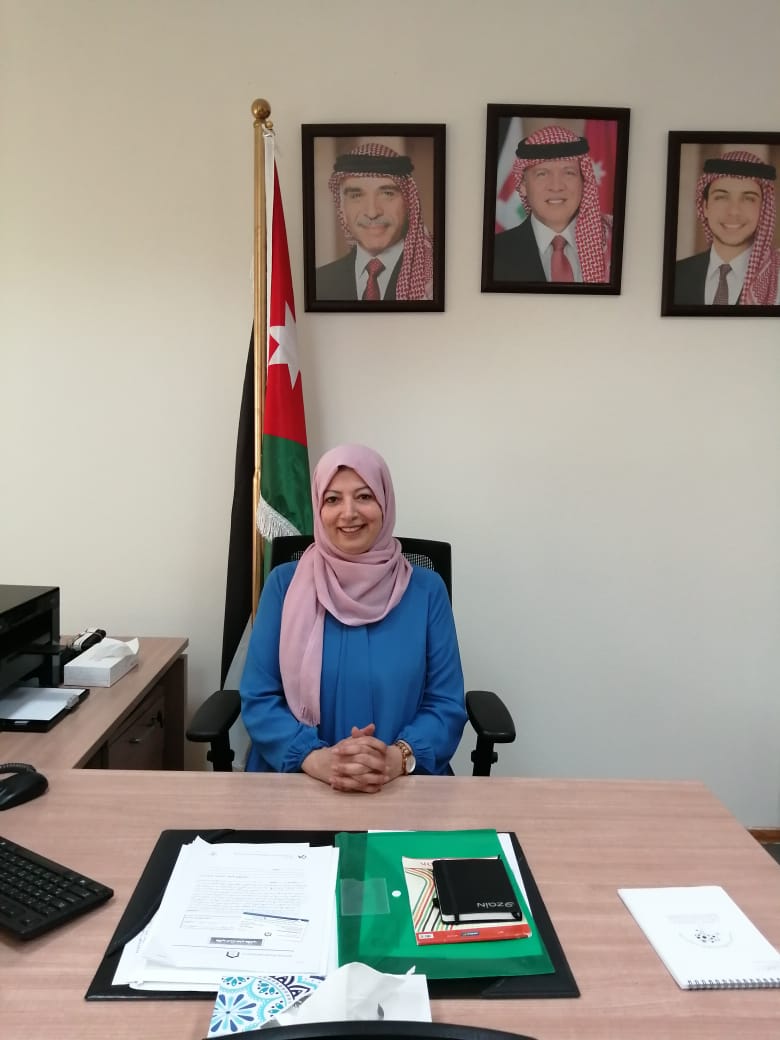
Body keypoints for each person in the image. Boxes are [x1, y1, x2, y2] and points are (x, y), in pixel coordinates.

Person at [240, 444, 467, 792]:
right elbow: (259, 697)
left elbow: (445, 703)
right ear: (319, 508)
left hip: (401, 785)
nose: (348, 513)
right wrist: (315, 759)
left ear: (384, 502)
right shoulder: (284, 586)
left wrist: (396, 758)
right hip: (298, 780)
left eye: (364, 496)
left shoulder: (427, 590)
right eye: (333, 499)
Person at [493, 125, 612, 284]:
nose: (556, 186)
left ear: (584, 181)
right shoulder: (495, 252)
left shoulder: (613, 242)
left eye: (569, 173)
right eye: (542, 174)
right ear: (523, 185)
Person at [315, 143, 434, 301]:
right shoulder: (319, 282)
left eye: (387, 193)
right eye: (356, 196)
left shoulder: (434, 278)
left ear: (409, 204)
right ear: (342, 208)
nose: (372, 212)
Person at [674, 151, 779, 306]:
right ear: (705, 207)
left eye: (748, 199)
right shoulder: (676, 273)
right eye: (721, 197)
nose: (733, 211)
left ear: (763, 210)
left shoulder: (776, 276)